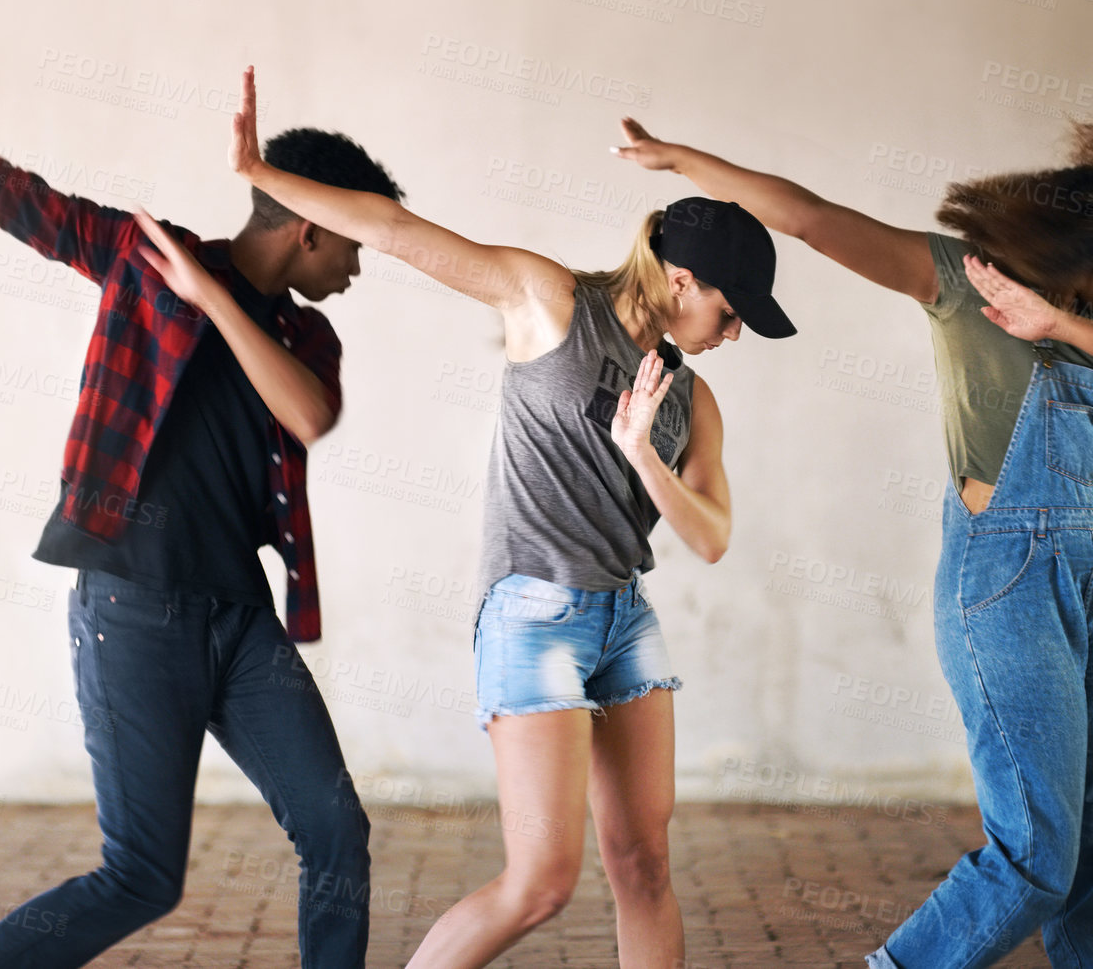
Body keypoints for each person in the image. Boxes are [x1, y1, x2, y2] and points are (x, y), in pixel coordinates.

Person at [0, 52, 405, 968]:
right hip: (133, 607)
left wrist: (217, 304)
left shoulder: (307, 336)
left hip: (240, 623)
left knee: (335, 832)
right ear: (312, 228)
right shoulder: (148, 260)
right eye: (360, 240)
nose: (364, 265)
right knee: (141, 875)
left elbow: (307, 413)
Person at [613, 114, 1093, 967]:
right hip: (1008, 582)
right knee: (1037, 858)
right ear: (1086, 245)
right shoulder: (963, 281)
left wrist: (1055, 324)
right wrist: (686, 158)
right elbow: (810, 217)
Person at [213, 68, 793, 967]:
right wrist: (259, 171)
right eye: (732, 308)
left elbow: (711, 535)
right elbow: (398, 233)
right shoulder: (549, 300)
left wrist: (644, 451)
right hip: (532, 616)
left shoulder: (694, 401)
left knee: (643, 865)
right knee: (543, 882)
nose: (737, 330)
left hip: (624, 620)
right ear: (682, 279)